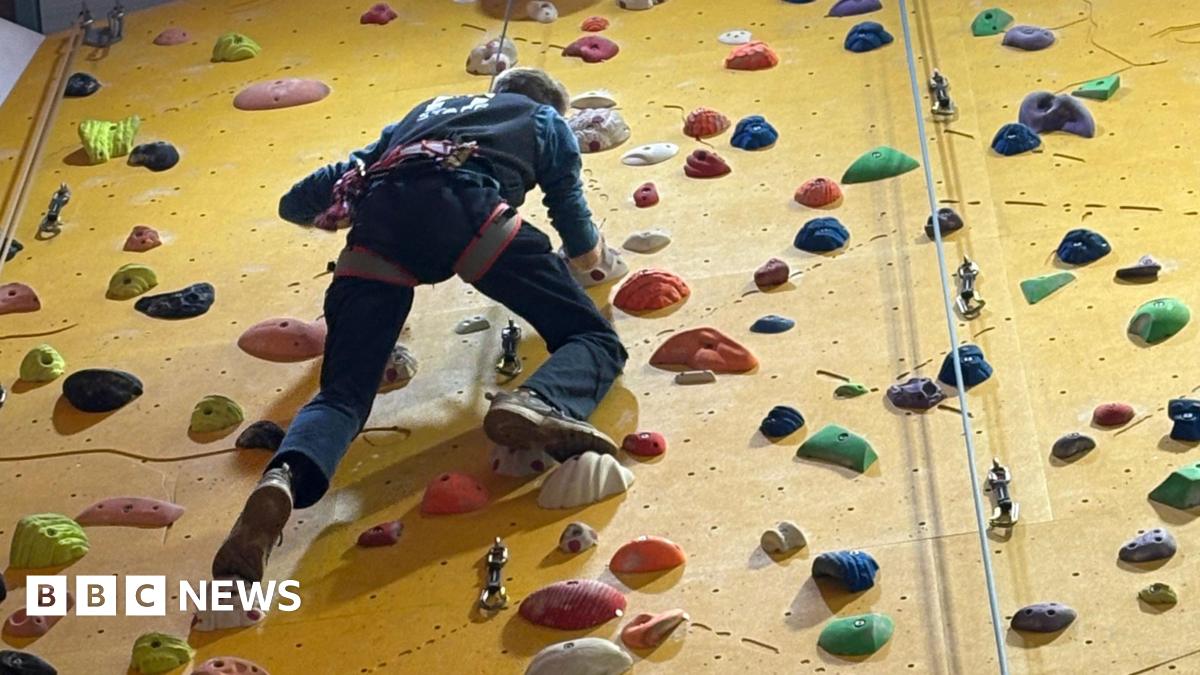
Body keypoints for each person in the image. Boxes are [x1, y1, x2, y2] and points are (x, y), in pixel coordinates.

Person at [212, 68, 628, 583]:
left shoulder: (418, 118)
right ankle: (538, 402)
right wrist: (591, 263)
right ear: (554, 106)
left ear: (495, 91)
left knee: (341, 395)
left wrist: (339, 211)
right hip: (470, 215)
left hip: (378, 230)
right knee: (592, 338)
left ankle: (283, 479)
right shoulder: (544, 120)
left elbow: (298, 200)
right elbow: (569, 212)